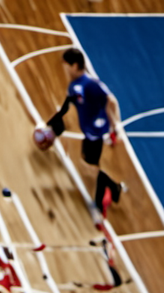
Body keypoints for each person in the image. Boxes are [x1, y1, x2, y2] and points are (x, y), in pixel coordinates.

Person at [47, 48, 127, 225]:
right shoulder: (74, 86)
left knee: (89, 169)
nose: (65, 71)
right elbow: (67, 107)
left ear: (75, 66)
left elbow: (111, 101)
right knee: (87, 166)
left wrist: (116, 127)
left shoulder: (89, 83)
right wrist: (52, 125)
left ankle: (103, 202)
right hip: (90, 132)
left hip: (96, 132)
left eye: (67, 67)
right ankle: (113, 188)